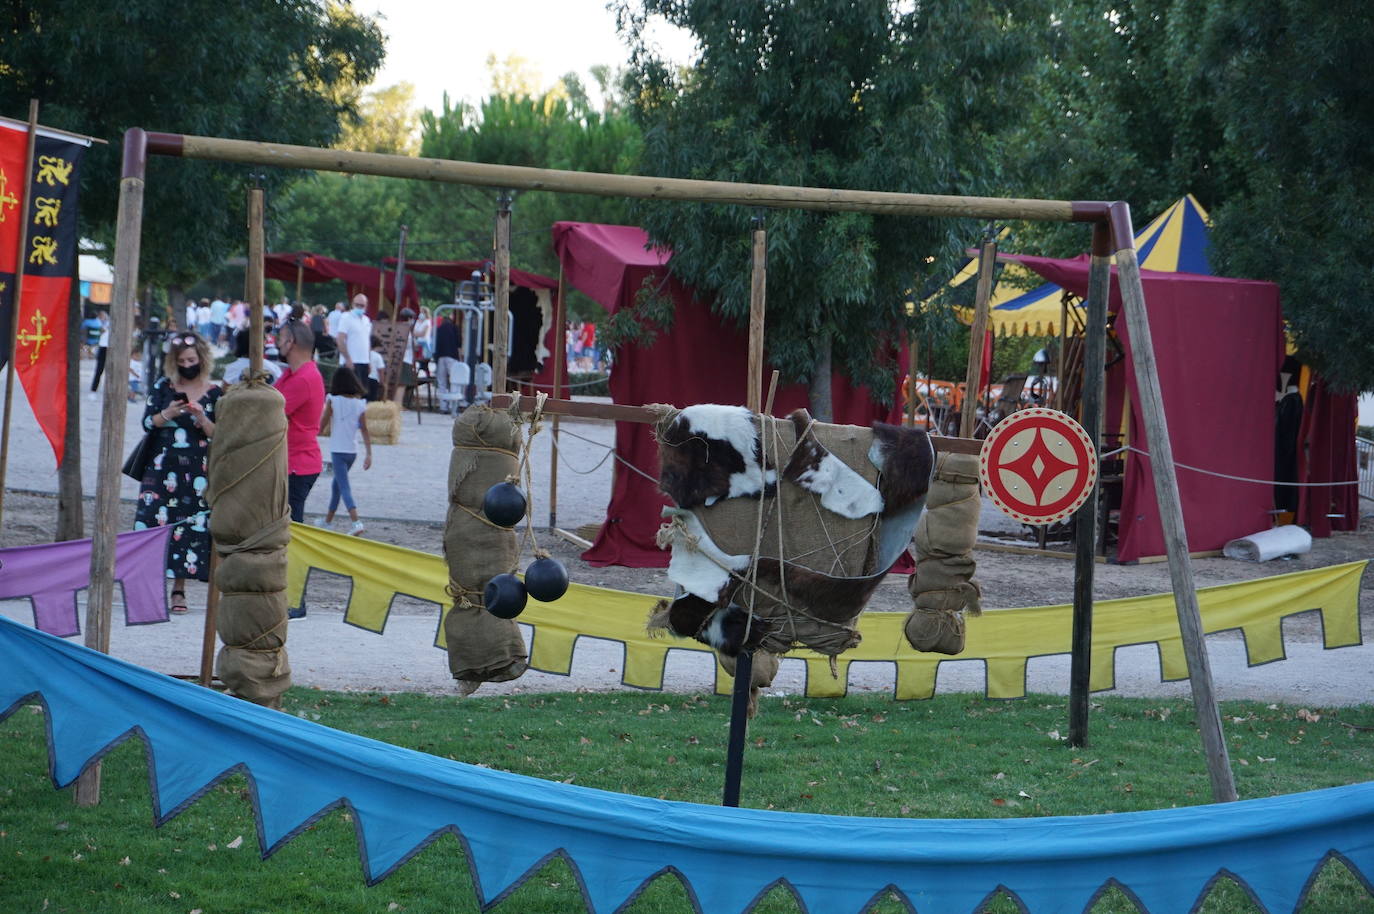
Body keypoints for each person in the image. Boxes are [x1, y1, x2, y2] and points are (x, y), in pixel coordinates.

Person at [133, 331, 221, 615]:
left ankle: (178, 590)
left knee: (188, 530)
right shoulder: (163, 387)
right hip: (159, 470)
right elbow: (148, 422)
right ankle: (146, 589)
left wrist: (200, 417)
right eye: (181, 360)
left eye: (192, 359)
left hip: (197, 474)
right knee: (152, 527)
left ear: (202, 359)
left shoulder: (215, 393)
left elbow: (219, 435)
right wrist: (169, 412)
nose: (187, 365)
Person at [274, 319, 325, 619]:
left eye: (281, 338)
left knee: (291, 534)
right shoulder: (294, 374)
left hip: (298, 464)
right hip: (293, 462)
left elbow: (271, 408)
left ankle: (296, 599)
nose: (278, 342)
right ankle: (291, 597)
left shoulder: (303, 377)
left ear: (291, 342)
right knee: (288, 531)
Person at [317, 367, 372, 535]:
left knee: (344, 486)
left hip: (338, 450)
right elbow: (364, 430)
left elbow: (322, 425)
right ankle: (327, 521)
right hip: (352, 452)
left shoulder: (332, 400)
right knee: (337, 485)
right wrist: (369, 453)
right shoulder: (360, 403)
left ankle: (356, 522)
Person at [335, 293, 373, 391]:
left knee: (362, 391)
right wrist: (347, 358)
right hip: (351, 361)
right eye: (357, 305)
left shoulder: (366, 320)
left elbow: (367, 342)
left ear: (366, 306)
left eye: (362, 305)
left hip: (363, 361)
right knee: (349, 391)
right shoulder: (346, 317)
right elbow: (340, 339)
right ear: (352, 304)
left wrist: (369, 361)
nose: (359, 308)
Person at [433, 312, 465, 413]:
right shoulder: (454, 328)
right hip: (452, 357)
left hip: (441, 357)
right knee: (454, 381)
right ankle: (453, 406)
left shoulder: (438, 329)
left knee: (442, 382)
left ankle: (443, 406)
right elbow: (459, 344)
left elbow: (435, 345)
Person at [89, 311, 110, 397]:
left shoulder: (110, 323)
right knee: (99, 370)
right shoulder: (98, 323)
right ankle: (93, 390)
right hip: (103, 347)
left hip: (112, 347)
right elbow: (101, 330)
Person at [366, 334, 386, 401]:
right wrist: (382, 382)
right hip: (374, 380)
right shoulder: (378, 356)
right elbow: (381, 370)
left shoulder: (365, 353)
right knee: (372, 398)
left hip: (364, 378)